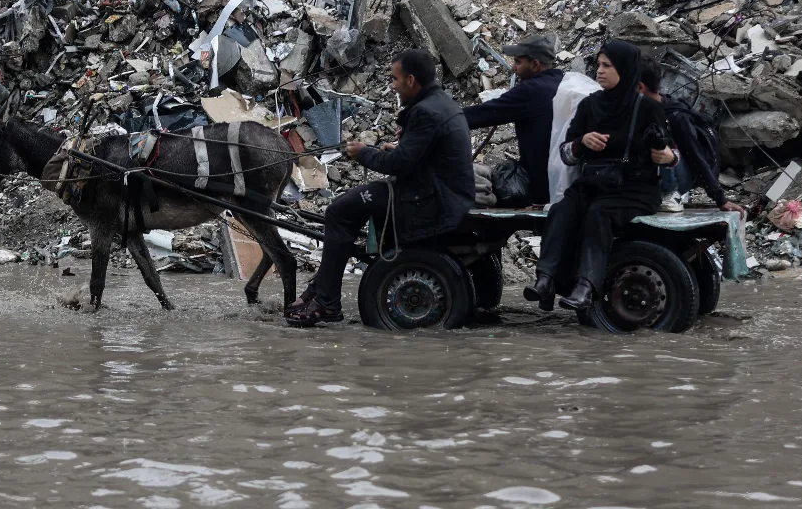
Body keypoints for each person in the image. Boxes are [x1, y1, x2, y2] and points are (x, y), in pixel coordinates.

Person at [287, 49, 475, 327]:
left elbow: (400, 164)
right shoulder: (440, 103)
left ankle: (326, 301)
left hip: (431, 198)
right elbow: (417, 154)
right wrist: (396, 149)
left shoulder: (425, 112)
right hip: (438, 188)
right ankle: (321, 287)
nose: (392, 85)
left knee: (339, 212)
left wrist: (364, 153)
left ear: (411, 80)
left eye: (395, 79)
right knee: (350, 207)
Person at [524, 40, 679, 312]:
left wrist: (666, 156)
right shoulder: (589, 105)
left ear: (626, 70)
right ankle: (545, 280)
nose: (600, 71)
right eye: (599, 64)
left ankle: (586, 287)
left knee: (599, 213)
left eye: (607, 65)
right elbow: (566, 153)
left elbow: (672, 153)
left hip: (635, 188)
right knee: (563, 209)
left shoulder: (647, 108)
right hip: (594, 183)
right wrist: (582, 142)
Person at [637, 57, 747, 219]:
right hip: (652, 174)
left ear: (640, 87)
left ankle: (670, 194)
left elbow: (696, 155)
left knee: (658, 138)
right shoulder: (637, 108)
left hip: (680, 175)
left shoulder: (675, 116)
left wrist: (720, 199)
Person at [463, 34, 564, 206]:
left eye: (518, 62)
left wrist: (436, 120)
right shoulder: (563, 83)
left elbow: (483, 113)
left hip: (541, 187)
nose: (513, 67)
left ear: (534, 65)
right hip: (565, 181)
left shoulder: (531, 90)